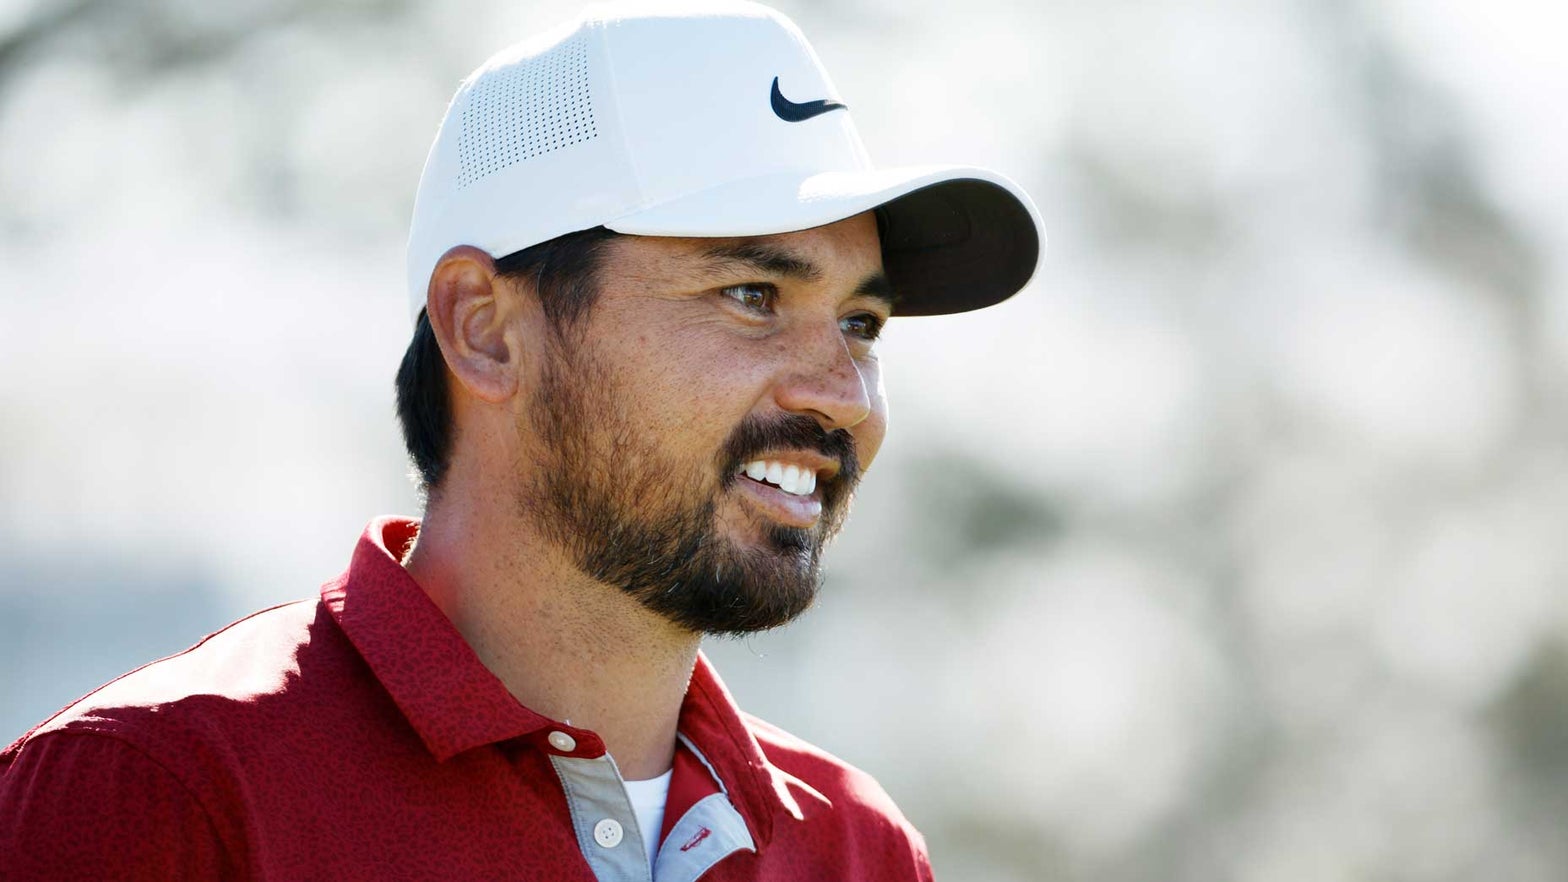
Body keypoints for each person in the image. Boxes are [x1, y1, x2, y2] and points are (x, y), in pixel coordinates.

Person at [0, 2, 1041, 879]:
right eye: (751, 294)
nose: (841, 395)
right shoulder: (152, 793)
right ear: (484, 330)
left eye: (860, 325)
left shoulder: (856, 849)